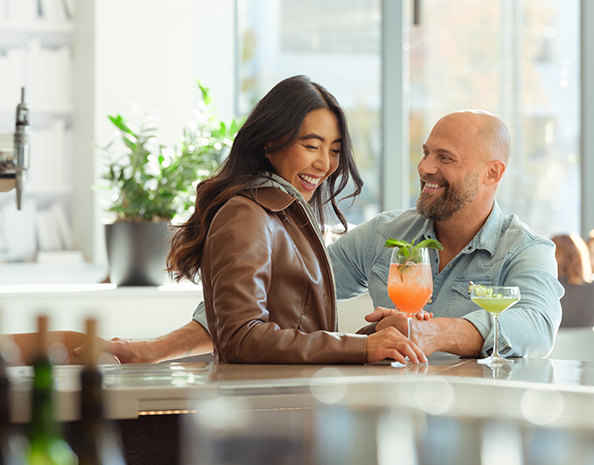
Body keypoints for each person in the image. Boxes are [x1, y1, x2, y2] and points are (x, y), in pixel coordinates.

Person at [91, 109, 563, 362]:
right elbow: (277, 294)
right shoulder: (386, 235)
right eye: (424, 154)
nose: (424, 168)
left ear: (491, 173)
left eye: (445, 158)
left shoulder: (525, 251)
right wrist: (155, 350)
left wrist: (434, 332)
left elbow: (537, 326)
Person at [162, 75, 425, 365]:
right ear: (270, 142)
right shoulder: (246, 215)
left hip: (292, 399)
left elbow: (302, 337)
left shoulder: (287, 214)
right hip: (264, 405)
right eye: (312, 146)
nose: (325, 164)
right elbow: (240, 338)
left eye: (334, 151)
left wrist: (376, 336)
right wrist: (361, 347)